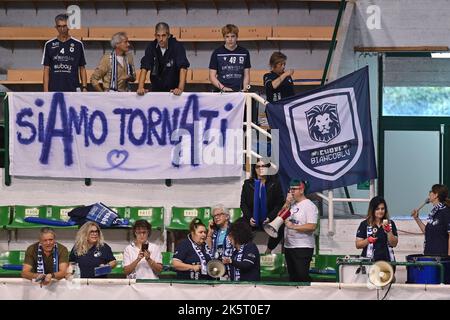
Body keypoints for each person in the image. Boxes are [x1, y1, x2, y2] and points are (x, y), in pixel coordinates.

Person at [240, 159, 284, 253]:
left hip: (269, 218)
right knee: (237, 227)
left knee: (281, 226)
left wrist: (270, 217)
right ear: (254, 169)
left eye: (263, 166)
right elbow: (243, 204)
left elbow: (279, 204)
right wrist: (249, 218)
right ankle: (245, 251)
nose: (261, 169)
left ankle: (269, 250)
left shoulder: (275, 183)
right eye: (258, 166)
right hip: (252, 218)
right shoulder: (248, 184)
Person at [137, 22, 190, 96]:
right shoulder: (151, 47)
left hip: (174, 90)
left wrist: (180, 88)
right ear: (155, 35)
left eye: (163, 35)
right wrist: (140, 87)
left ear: (168, 35)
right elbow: (144, 68)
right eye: (158, 36)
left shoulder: (177, 47)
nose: (160, 39)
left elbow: (183, 68)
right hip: (156, 89)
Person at [283, 179, 318, 282]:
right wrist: (287, 203)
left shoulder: (309, 206)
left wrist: (293, 227)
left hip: (302, 247)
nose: (291, 192)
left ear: (302, 190)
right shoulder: (292, 205)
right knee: (293, 277)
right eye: (290, 189)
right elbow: (279, 216)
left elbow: (312, 226)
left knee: (302, 276)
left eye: (294, 189)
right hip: (289, 246)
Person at [42, 13, 87, 92]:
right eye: (59, 26)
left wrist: (84, 87)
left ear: (69, 26)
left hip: (73, 88)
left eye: (64, 26)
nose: (62, 29)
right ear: (56, 27)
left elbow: (82, 68)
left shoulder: (78, 44)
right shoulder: (49, 44)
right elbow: (46, 69)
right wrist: (46, 91)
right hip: (54, 89)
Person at [209, 24, 251, 92]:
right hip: (222, 91)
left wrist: (245, 89)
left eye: (233, 36)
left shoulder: (244, 52)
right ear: (224, 38)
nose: (230, 39)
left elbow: (246, 75)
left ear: (237, 37)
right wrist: (224, 88)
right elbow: (212, 76)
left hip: (239, 91)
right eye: (227, 36)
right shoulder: (217, 53)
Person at [355, 196, 398, 262]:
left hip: (387, 262)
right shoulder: (364, 224)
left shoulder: (390, 223)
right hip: (369, 263)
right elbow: (358, 245)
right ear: (372, 210)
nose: (380, 211)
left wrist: (388, 231)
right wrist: (368, 240)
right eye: (377, 209)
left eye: (382, 209)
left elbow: (394, 244)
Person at [411, 184, 450, 256]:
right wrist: (416, 218)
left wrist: (449, 256)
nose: (429, 193)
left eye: (431, 191)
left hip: (440, 257)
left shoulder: (446, 212)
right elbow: (427, 231)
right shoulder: (434, 212)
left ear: (436, 195)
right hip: (429, 254)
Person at [206, 204, 234, 279]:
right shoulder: (214, 231)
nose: (216, 217)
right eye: (214, 216)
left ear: (227, 216)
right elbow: (208, 250)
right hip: (216, 266)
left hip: (230, 266)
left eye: (219, 214)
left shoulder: (234, 229)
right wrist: (209, 234)